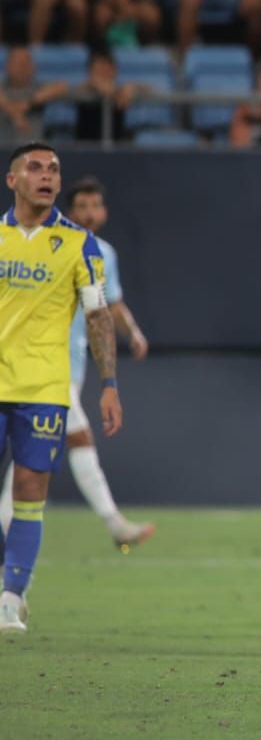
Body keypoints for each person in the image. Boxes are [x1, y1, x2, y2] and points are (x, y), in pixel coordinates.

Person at [0, 143, 124, 634]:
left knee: (29, 496)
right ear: (13, 180)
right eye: (35, 167)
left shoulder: (79, 244)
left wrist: (109, 383)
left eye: (53, 169)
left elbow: (98, 316)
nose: (47, 175)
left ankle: (12, 596)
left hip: (45, 389)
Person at [0, 176, 150, 550]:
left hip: (72, 366)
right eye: (80, 206)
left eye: (93, 206)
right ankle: (114, 524)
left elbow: (109, 304)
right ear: (70, 210)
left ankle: (6, 532)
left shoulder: (103, 253)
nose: (88, 213)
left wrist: (132, 331)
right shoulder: (49, 246)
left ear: (103, 211)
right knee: (76, 439)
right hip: (40, 365)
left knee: (28, 456)